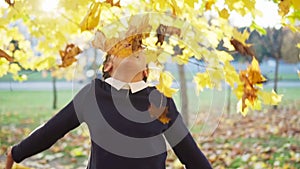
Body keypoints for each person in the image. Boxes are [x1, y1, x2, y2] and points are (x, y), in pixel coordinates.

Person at [5, 44, 212, 169]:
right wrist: (16, 152)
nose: (134, 48)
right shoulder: (93, 95)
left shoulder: (158, 102)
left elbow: (189, 153)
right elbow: (51, 130)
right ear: (108, 65)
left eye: (139, 49)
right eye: (123, 47)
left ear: (146, 70)